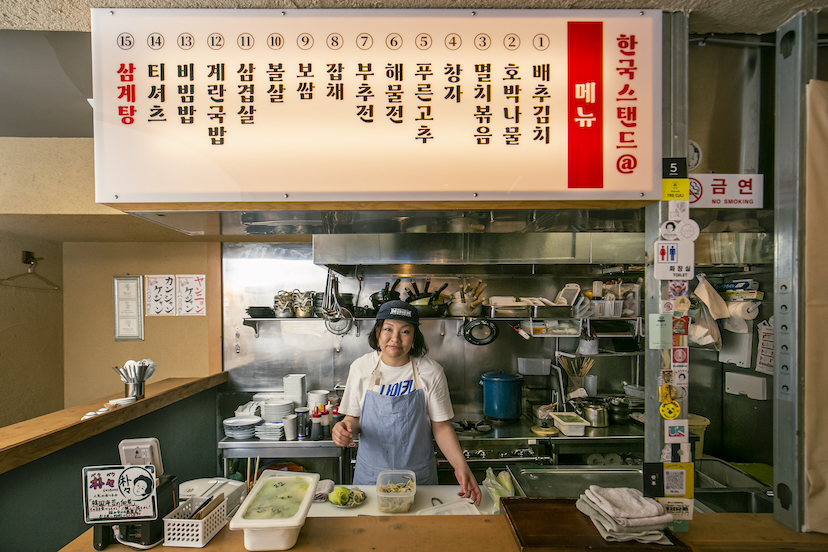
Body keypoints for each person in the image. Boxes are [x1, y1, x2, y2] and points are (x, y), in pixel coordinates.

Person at [332, 300, 481, 505]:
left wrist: (460, 465)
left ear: (414, 337)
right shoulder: (361, 367)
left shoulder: (430, 371)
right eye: (388, 329)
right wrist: (344, 428)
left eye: (405, 331)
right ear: (378, 332)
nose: (395, 338)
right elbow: (353, 419)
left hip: (419, 478)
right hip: (371, 477)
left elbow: (441, 427)